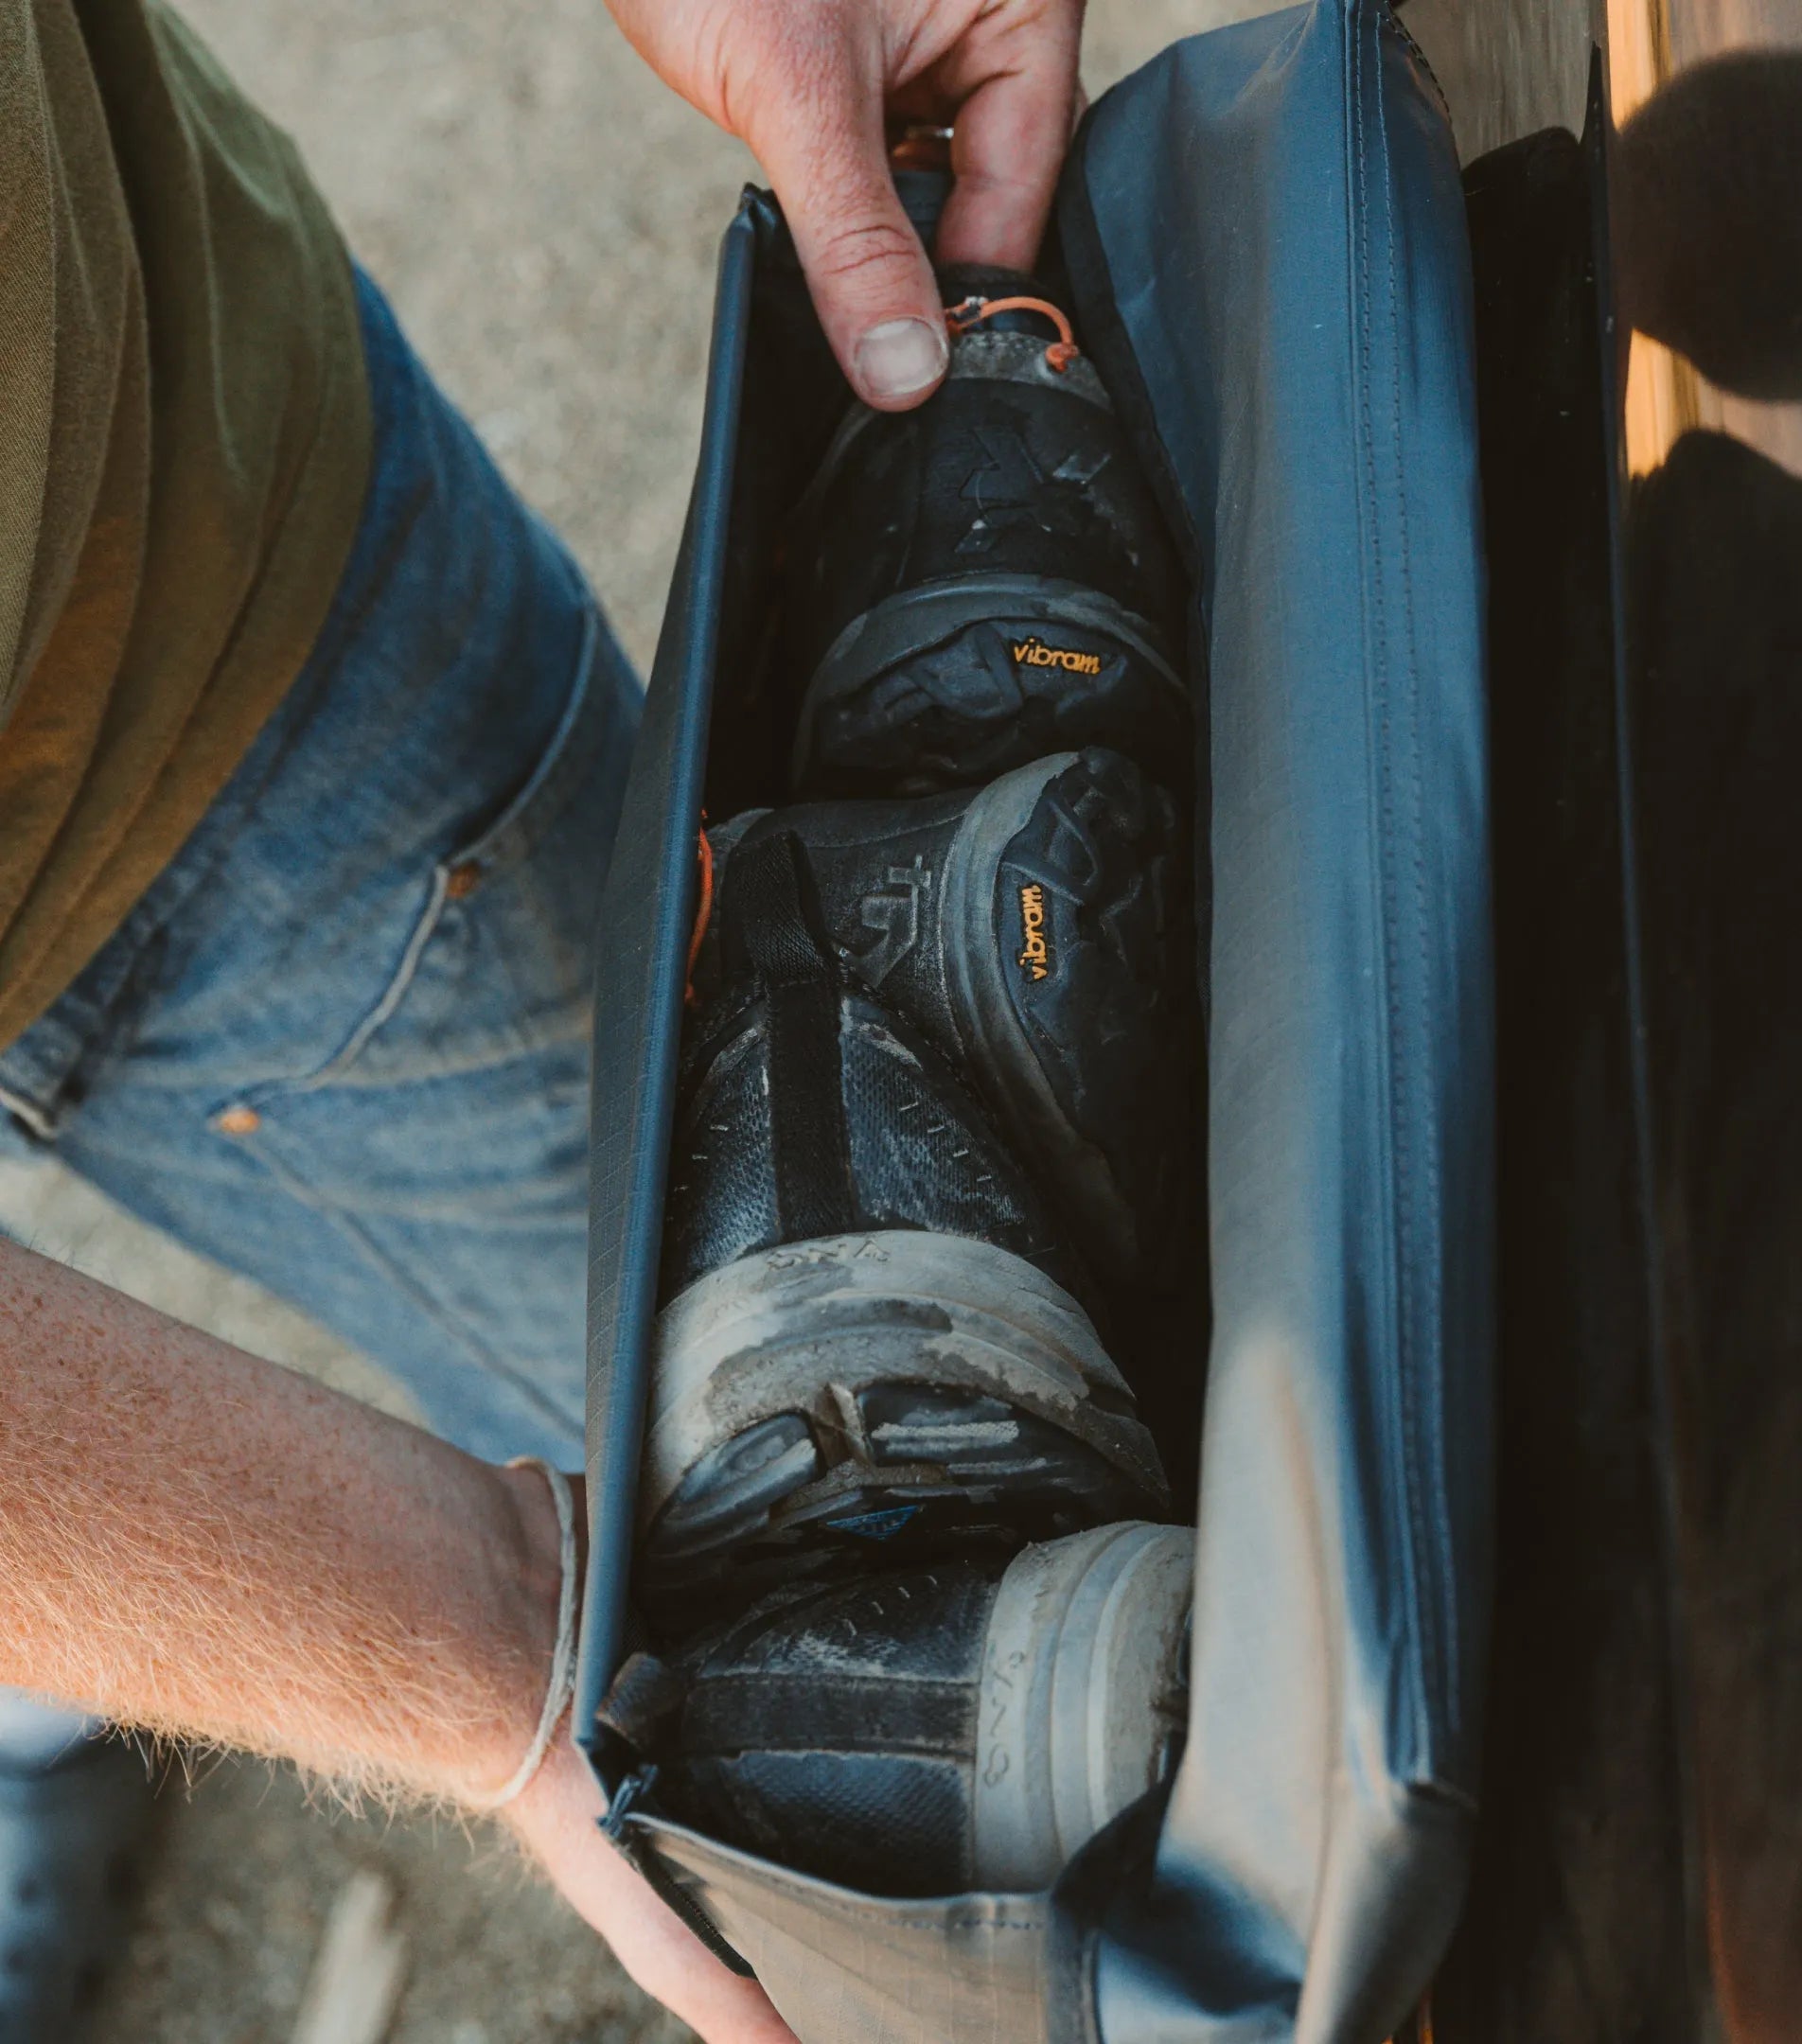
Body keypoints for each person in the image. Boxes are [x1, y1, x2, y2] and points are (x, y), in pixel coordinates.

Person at [0, 0, 1086, 2036]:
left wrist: (524, 1618)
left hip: (195, 637)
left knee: (810, 1424)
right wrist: (480, 1640)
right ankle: (49, 1701)